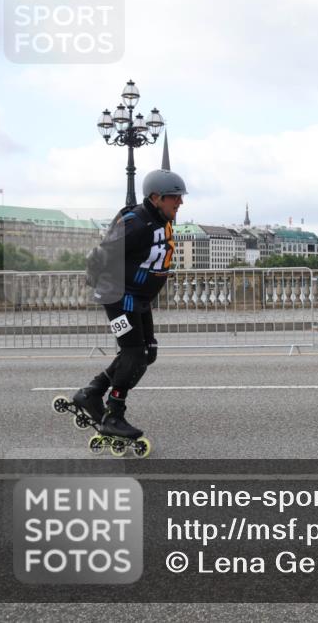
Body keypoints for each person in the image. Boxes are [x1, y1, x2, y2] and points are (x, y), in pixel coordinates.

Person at [73, 159, 186, 440]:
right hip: (119, 298)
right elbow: (98, 256)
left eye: (181, 197)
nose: (180, 202)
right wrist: (102, 288)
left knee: (146, 354)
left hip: (139, 299)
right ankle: (114, 414)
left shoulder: (163, 220)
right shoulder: (136, 223)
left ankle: (91, 393)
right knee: (134, 354)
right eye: (175, 197)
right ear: (156, 197)